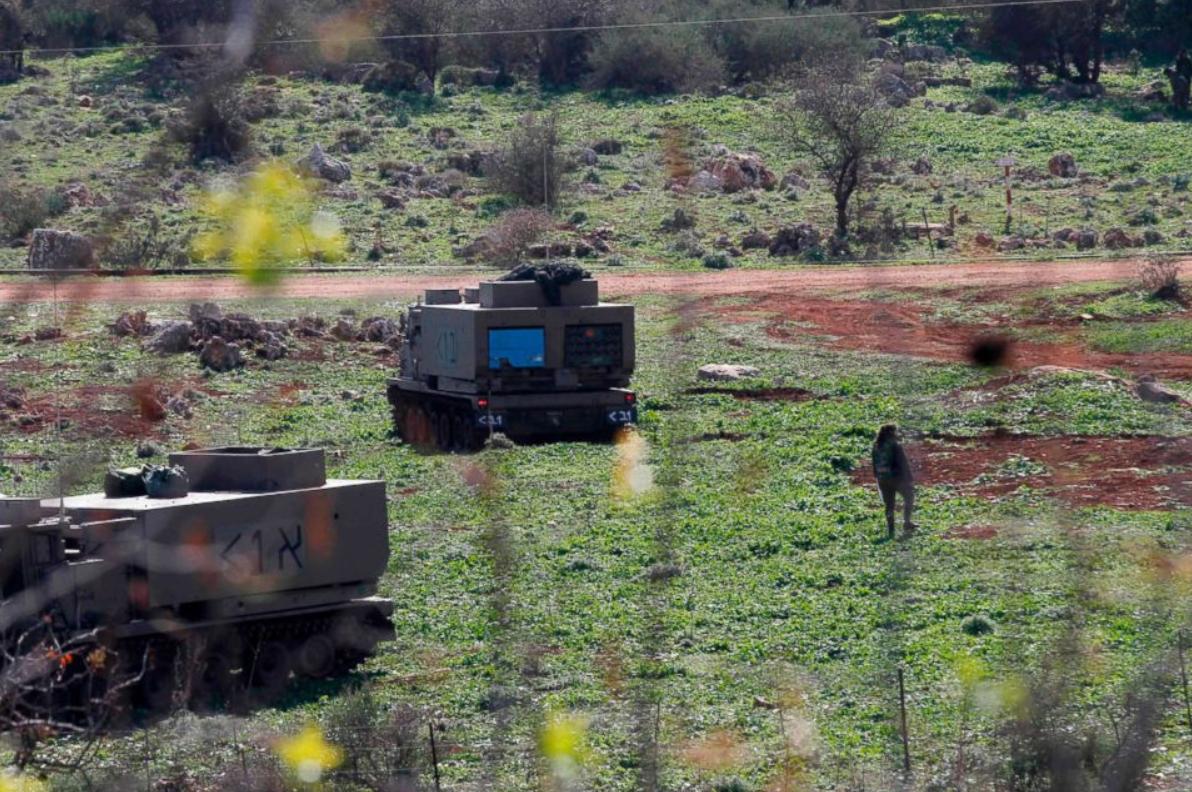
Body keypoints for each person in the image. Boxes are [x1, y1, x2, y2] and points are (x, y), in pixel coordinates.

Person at [872, 424, 916, 538]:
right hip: (897, 478)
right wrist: (909, 479)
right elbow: (903, 463)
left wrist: (879, 478)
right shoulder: (895, 446)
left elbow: (874, 465)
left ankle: (891, 531)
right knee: (909, 496)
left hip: (882, 479)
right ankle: (907, 522)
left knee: (889, 505)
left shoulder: (876, 446)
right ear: (892, 433)